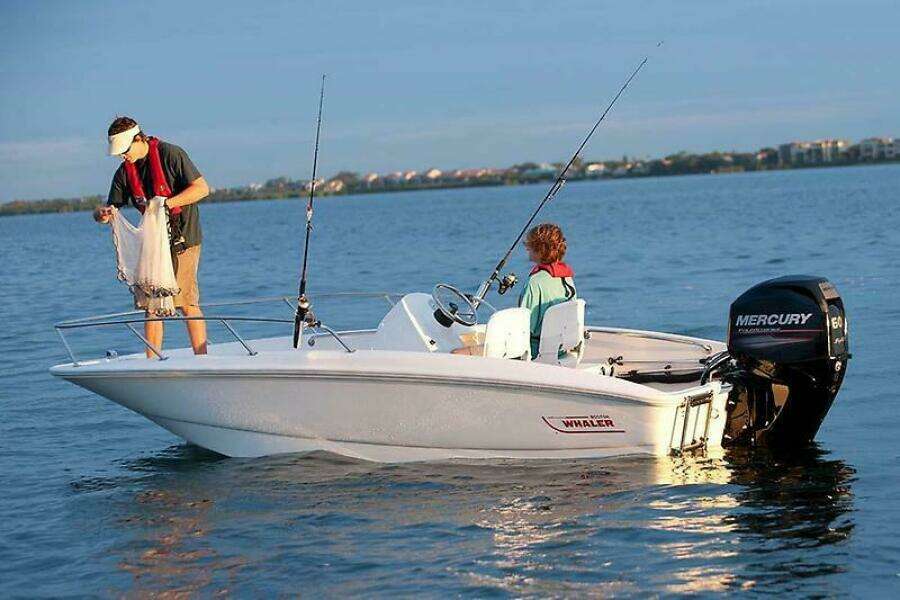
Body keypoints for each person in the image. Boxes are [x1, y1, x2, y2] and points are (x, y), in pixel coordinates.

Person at [93, 116, 210, 357]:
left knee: (186, 301)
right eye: (118, 153)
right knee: (152, 306)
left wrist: (165, 204)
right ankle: (152, 361)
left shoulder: (171, 154)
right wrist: (102, 214)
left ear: (138, 139)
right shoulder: (125, 171)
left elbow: (202, 189)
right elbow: (108, 208)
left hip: (183, 238)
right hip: (153, 243)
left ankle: (202, 358)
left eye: (124, 150)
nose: (121, 156)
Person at [453, 222, 576, 358]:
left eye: (529, 245)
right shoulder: (567, 278)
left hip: (534, 350)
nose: (527, 248)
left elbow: (526, 327)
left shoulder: (535, 282)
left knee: (457, 353)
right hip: (559, 349)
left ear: (540, 249)